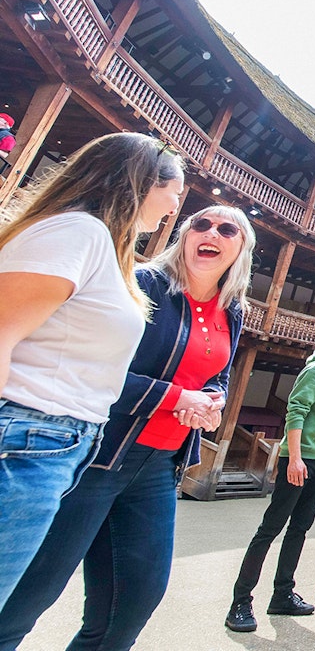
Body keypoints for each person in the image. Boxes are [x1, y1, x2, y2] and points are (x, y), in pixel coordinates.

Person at [0, 206, 253, 649]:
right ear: (185, 234)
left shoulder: (232, 311)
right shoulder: (143, 285)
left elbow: (219, 372)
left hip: (160, 467)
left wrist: (213, 400)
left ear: (241, 248)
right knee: (28, 595)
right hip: (99, 456)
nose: (210, 231)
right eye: (200, 223)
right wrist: (177, 398)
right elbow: (96, 368)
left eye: (226, 228)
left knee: (132, 603)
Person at [0, 132, 184, 609]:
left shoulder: (100, 242)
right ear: (143, 181)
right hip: (26, 438)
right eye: (174, 193)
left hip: (53, 442)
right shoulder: (77, 232)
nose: (173, 209)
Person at [226, 325, 315, 632]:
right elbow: (296, 411)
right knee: (270, 529)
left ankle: (282, 594)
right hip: (300, 461)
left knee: (299, 529)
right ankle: (240, 601)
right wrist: (293, 458)